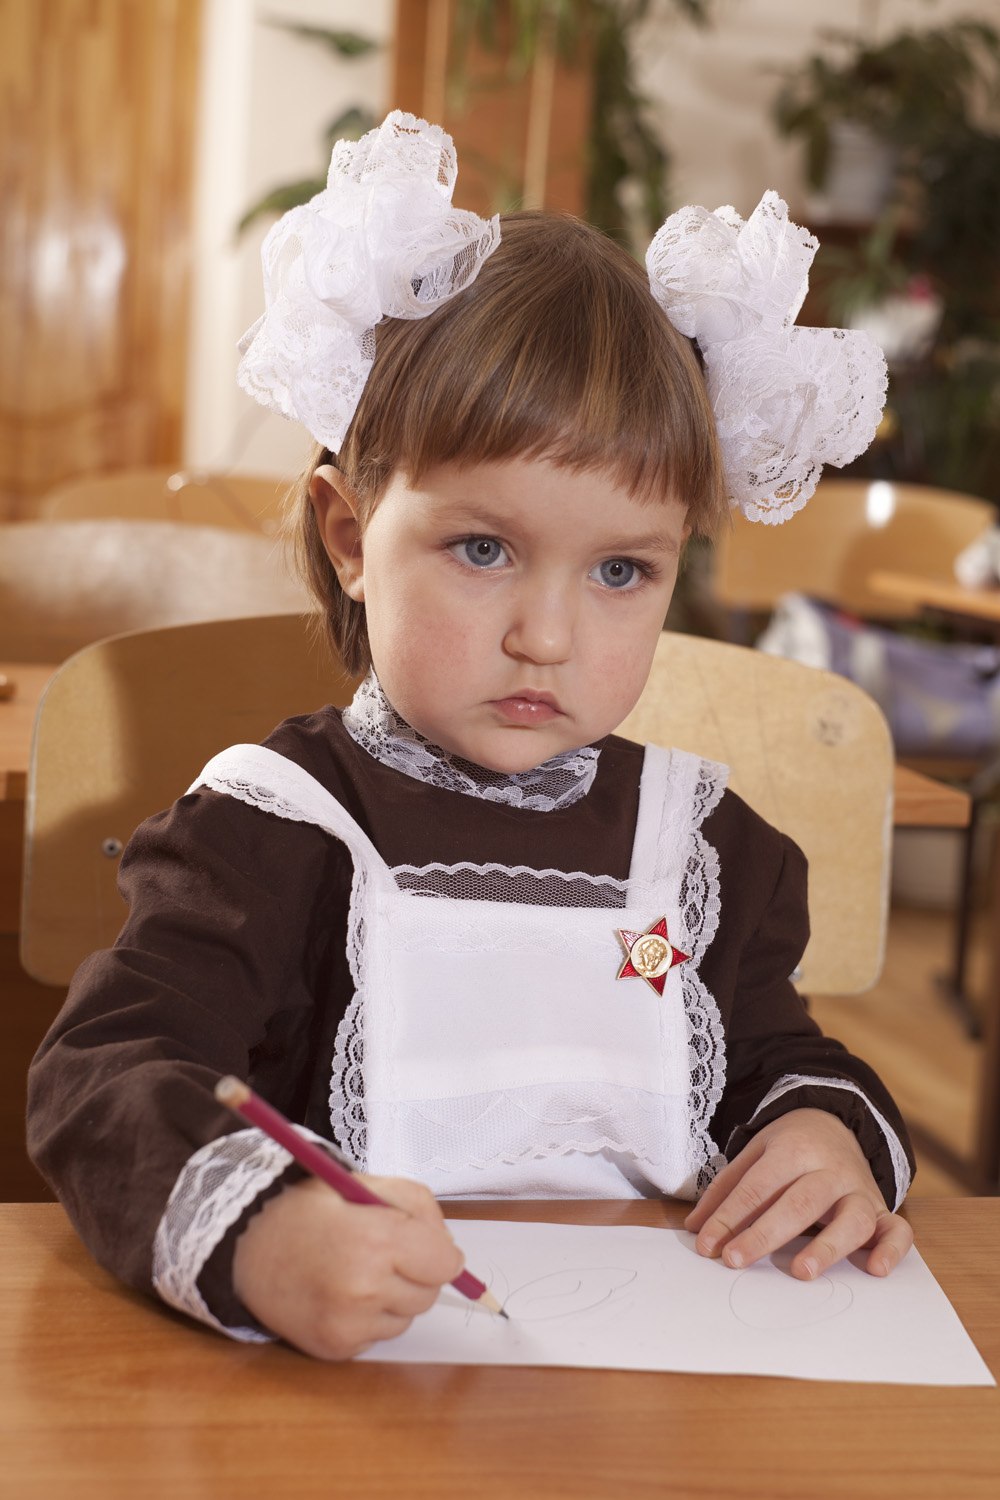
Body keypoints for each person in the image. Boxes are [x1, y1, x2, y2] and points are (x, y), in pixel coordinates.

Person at [27, 112, 912, 1362]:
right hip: (334, 1396)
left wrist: (826, 1135)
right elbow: (108, 1072)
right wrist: (261, 1236)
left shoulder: (708, 845)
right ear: (350, 534)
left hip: (650, 1398)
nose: (546, 636)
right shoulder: (268, 830)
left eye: (620, 571)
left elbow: (778, 1055)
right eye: (483, 549)